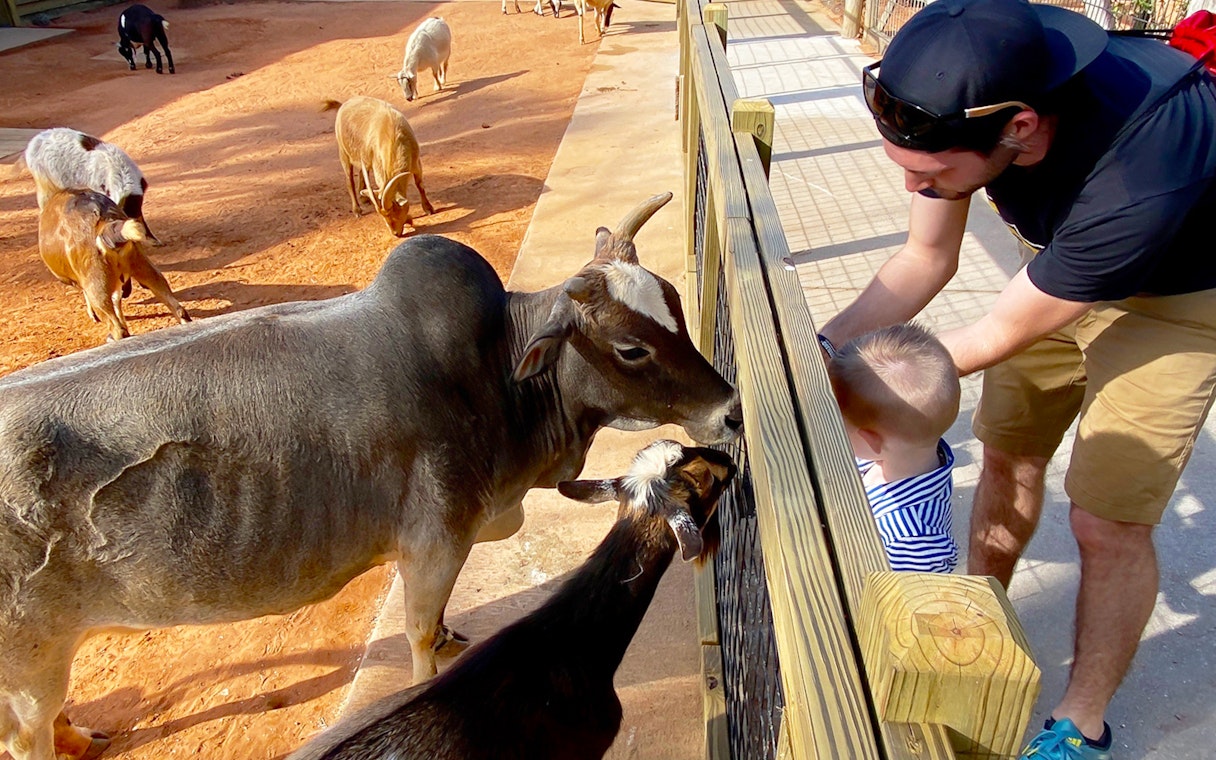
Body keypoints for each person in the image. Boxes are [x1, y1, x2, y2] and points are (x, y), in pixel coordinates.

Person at [815, 0, 1216, 757]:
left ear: (1020, 128)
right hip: (1057, 264)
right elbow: (923, 261)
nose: (913, 189)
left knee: (1108, 519)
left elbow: (995, 333)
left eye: (929, 174)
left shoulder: (1150, 149)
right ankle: (974, 622)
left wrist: (852, 382)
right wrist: (820, 345)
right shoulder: (975, 99)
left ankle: (1080, 724)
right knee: (1008, 451)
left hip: (1178, 296)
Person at [827, 323, 961, 573]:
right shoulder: (912, 452)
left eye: (839, 424)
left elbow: (899, 603)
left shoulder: (912, 540)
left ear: (871, 441)